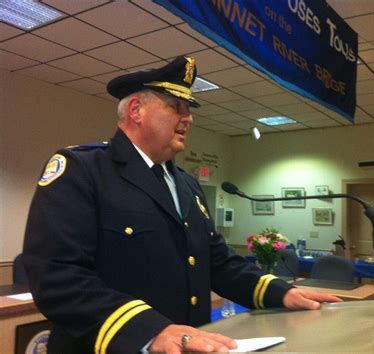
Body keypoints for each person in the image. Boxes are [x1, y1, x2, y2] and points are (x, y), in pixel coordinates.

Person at [22, 55, 342, 354]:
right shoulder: (83, 169)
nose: (188, 117)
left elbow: (218, 262)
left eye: (189, 108)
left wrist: (281, 292)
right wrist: (151, 331)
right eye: (176, 106)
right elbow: (57, 277)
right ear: (135, 111)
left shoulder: (187, 184)